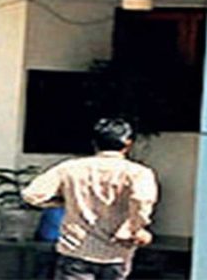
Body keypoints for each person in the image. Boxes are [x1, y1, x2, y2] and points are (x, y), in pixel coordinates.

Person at [21, 118, 159, 280]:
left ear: (95, 143)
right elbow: (142, 200)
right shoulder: (138, 173)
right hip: (116, 253)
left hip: (76, 250)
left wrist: (63, 201)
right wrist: (133, 227)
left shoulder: (70, 168)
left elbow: (32, 194)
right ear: (128, 144)